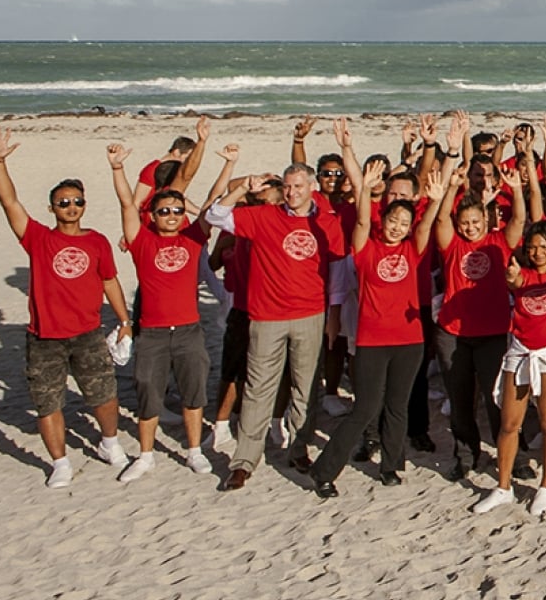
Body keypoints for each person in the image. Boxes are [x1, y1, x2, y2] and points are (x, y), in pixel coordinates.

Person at [0, 127, 131, 487]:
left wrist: (124, 319)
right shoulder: (39, 238)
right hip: (44, 338)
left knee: (103, 394)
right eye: (64, 202)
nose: (71, 207)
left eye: (77, 201)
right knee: (48, 403)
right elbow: (10, 203)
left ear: (85, 204)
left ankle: (110, 444)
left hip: (87, 334)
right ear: (52, 208)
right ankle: (60, 463)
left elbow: (109, 281)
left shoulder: (97, 241)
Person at [202, 159, 348, 489]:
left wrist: (334, 315)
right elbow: (215, 216)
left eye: (298, 186)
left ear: (312, 187)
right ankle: (243, 461)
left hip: (310, 314)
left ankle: (298, 449)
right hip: (266, 316)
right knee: (258, 388)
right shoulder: (264, 216)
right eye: (287, 186)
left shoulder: (327, 222)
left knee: (305, 386)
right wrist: (242, 187)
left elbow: (338, 270)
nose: (292, 192)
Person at [310, 155, 448, 495]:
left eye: (404, 222)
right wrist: (364, 189)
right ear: (383, 220)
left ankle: (390, 465)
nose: (398, 226)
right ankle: (324, 471)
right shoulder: (366, 249)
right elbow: (359, 223)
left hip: (409, 341)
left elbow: (426, 225)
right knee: (365, 408)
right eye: (393, 220)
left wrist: (435, 198)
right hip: (372, 341)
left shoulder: (412, 250)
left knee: (397, 406)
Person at [107, 140, 223, 482]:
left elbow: (213, 206)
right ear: (153, 216)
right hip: (153, 333)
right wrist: (117, 169)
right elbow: (127, 203)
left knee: (193, 393)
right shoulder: (143, 241)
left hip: (188, 330)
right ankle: (145, 456)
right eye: (164, 211)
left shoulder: (192, 239)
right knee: (148, 394)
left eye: (176, 211)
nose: (171, 216)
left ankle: (194, 451)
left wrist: (227, 166)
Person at [474, 220, 546, 517]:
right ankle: (503, 486)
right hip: (520, 352)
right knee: (509, 422)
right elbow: (515, 281)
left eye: (544, 246)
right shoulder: (523, 274)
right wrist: (512, 276)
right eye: (532, 247)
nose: (537, 252)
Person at [434, 159, 526, 482]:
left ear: (485, 220)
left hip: (493, 333)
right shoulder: (452, 244)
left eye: (476, 221)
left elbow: (519, 220)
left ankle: (513, 456)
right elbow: (442, 217)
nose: (471, 227)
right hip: (453, 333)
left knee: (497, 398)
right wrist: (451, 189)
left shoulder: (498, 243)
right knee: (459, 401)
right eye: (466, 222)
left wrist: (516, 190)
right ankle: (466, 454)